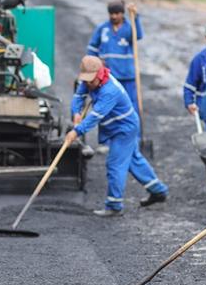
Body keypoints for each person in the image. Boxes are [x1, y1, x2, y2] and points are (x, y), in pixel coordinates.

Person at [66, 56, 168, 217]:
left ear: (99, 74)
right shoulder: (87, 80)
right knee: (133, 160)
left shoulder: (110, 90)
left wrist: (76, 131)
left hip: (124, 128)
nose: (88, 84)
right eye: (86, 80)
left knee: (115, 165)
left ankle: (114, 205)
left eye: (91, 81)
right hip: (116, 126)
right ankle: (158, 191)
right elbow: (79, 96)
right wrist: (76, 113)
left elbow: (95, 116)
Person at [86, 0, 143, 118]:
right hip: (109, 76)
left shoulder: (129, 27)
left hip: (127, 75)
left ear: (122, 14)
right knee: (109, 104)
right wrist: (94, 64)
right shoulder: (103, 28)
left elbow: (138, 35)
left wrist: (136, 17)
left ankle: (134, 129)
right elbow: (92, 47)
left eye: (117, 13)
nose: (114, 16)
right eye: (111, 13)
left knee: (131, 104)